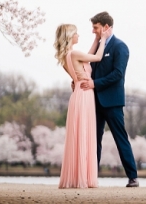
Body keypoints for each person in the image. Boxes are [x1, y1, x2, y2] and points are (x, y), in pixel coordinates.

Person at [80, 11, 139, 187]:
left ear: (106, 27)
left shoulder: (120, 47)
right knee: (93, 140)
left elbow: (118, 74)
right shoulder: (99, 46)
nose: (93, 31)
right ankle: (92, 178)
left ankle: (133, 177)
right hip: (94, 102)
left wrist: (94, 84)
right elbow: (88, 67)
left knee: (120, 139)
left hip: (112, 102)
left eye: (95, 27)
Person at [54, 23, 106, 189]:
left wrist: (96, 39)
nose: (78, 36)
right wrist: (103, 39)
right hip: (85, 95)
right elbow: (97, 57)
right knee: (84, 133)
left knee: (78, 134)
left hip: (77, 94)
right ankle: (85, 177)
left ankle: (77, 176)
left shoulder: (66, 57)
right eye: (76, 33)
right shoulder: (75, 53)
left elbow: (87, 56)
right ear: (70, 36)